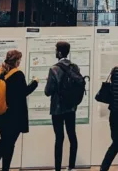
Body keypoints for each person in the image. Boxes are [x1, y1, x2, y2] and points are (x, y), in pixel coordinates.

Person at [0, 49, 38, 171]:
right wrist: (35, 83)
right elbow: (24, 92)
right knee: (9, 144)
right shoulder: (18, 74)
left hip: (0, 113)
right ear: (17, 61)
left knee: (3, 141)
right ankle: (4, 168)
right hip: (14, 116)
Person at [44, 41, 82, 171]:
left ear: (59, 52)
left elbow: (48, 92)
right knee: (72, 136)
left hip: (57, 108)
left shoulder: (54, 69)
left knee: (59, 138)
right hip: (71, 107)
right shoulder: (75, 67)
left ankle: (58, 168)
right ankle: (71, 167)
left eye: (56, 50)